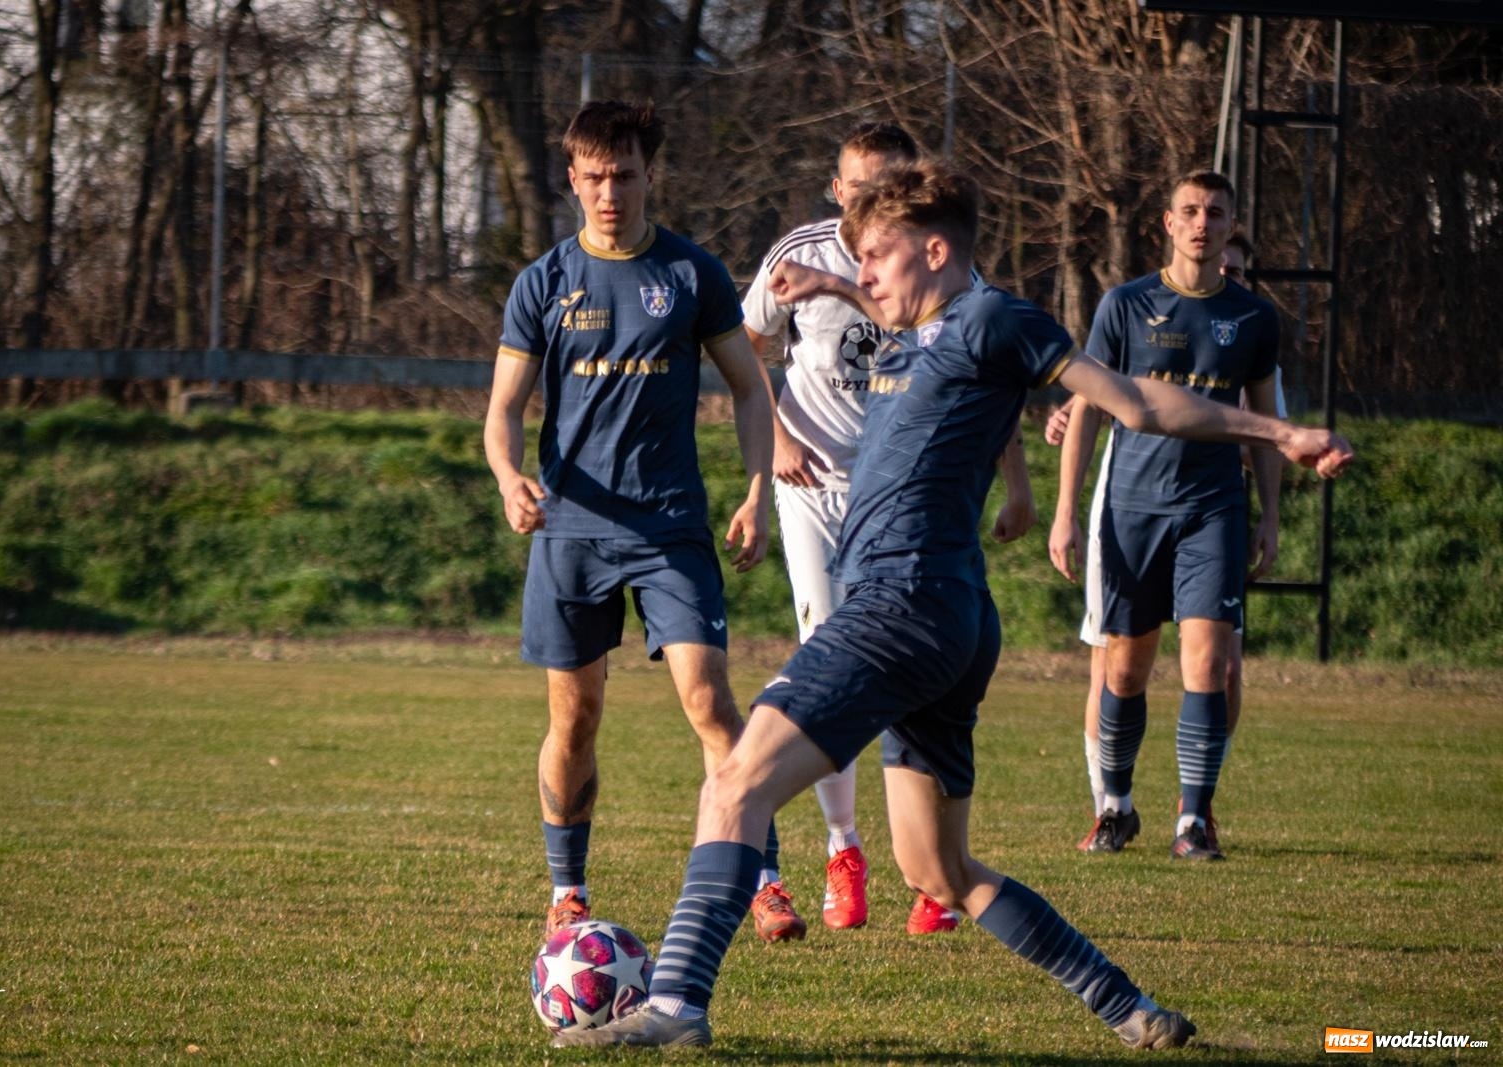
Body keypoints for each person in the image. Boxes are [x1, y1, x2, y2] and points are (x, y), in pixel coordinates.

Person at [553, 160, 1351, 1050]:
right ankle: (1130, 1008)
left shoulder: (997, 319)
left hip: (900, 602)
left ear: (935, 251)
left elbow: (1134, 400)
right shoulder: (925, 326)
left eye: (878, 259)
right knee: (939, 867)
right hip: (949, 618)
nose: (865, 277)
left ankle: (675, 1005)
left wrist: (1279, 431)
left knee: (735, 779)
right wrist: (830, 282)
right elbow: (903, 319)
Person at [483, 100, 780, 936]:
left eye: (624, 174)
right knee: (573, 717)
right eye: (594, 177)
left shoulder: (693, 274)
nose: (609, 191)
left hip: (671, 527)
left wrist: (757, 489)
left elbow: (752, 388)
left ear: (651, 176)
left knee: (709, 700)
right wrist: (510, 476)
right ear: (572, 180)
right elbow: (503, 409)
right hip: (570, 530)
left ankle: (761, 874)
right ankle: (566, 889)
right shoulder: (542, 282)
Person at [739, 122, 1034, 938]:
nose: (872, 199)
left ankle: (929, 861)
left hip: (902, 501)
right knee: (824, 645)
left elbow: (983, 381)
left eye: (890, 183)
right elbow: (742, 350)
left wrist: (1018, 486)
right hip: (812, 483)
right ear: (838, 190)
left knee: (905, 665)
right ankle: (843, 848)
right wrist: (778, 441)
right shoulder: (799, 253)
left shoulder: (934, 272)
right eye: (859, 185)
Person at [1047, 175, 1285, 862]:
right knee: (1124, 669)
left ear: (1231, 223)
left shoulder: (1254, 317)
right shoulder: (1127, 305)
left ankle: (1194, 818)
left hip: (1212, 508)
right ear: (1168, 224)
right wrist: (1067, 511)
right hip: (1131, 508)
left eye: (1215, 212)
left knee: (1208, 662)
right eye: (1189, 212)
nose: (1201, 223)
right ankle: (1115, 807)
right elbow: (1089, 404)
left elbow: (1266, 424)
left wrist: (1269, 515)